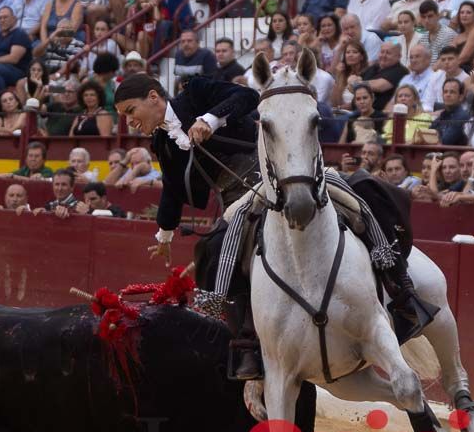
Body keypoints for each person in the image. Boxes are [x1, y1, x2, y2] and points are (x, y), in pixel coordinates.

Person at [113, 69, 433, 381]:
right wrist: (165, 233)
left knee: (361, 197)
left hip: (278, 171)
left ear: (153, 97)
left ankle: (402, 294)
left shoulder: (195, 93)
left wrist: (209, 119)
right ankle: (248, 341)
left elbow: (247, 96)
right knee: (214, 254)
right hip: (236, 197)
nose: (130, 121)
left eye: (131, 110)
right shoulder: (163, 143)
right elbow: (171, 188)